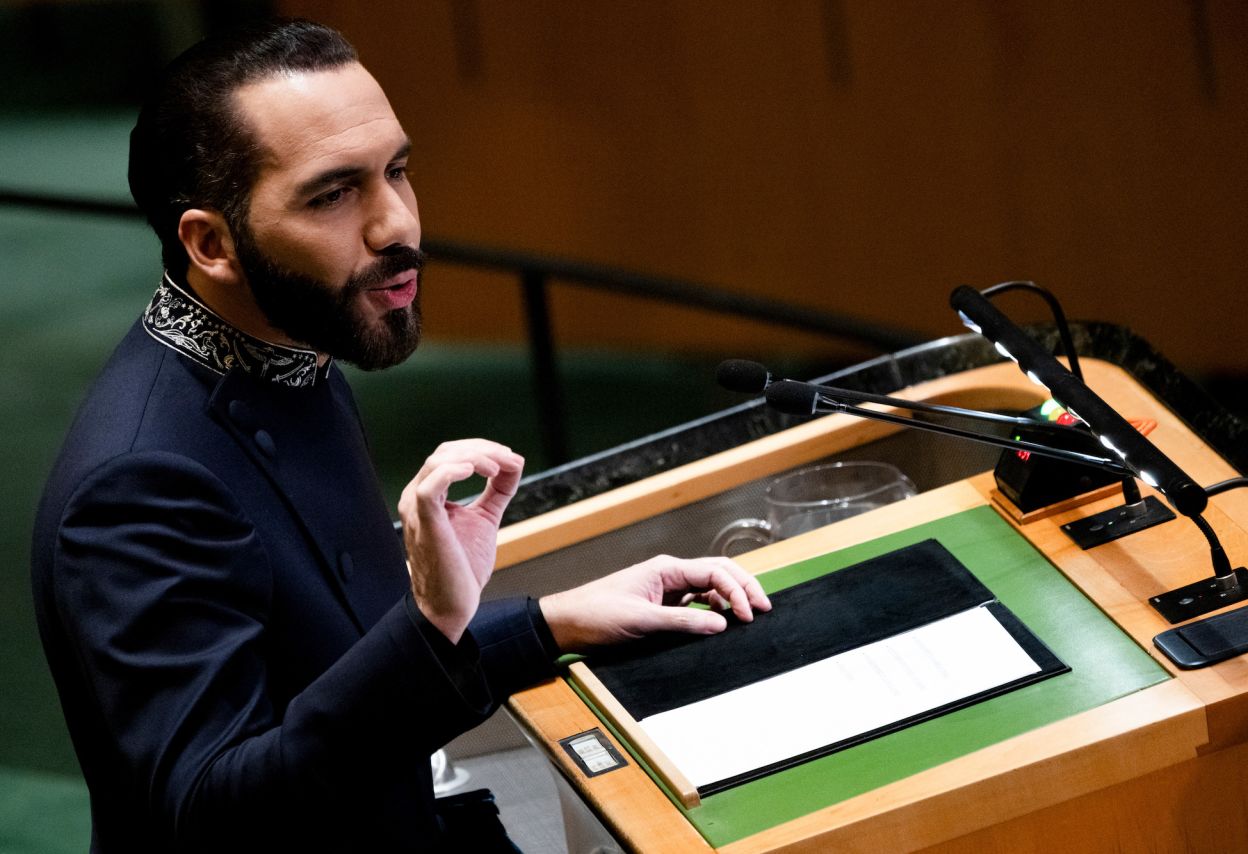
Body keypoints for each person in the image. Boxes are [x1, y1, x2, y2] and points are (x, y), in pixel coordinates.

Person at [29, 18, 770, 853]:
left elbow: (332, 664)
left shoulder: (289, 347)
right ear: (211, 243)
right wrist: (429, 626)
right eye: (333, 194)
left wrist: (553, 620)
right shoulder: (139, 485)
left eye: (398, 172)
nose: (397, 227)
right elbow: (212, 812)